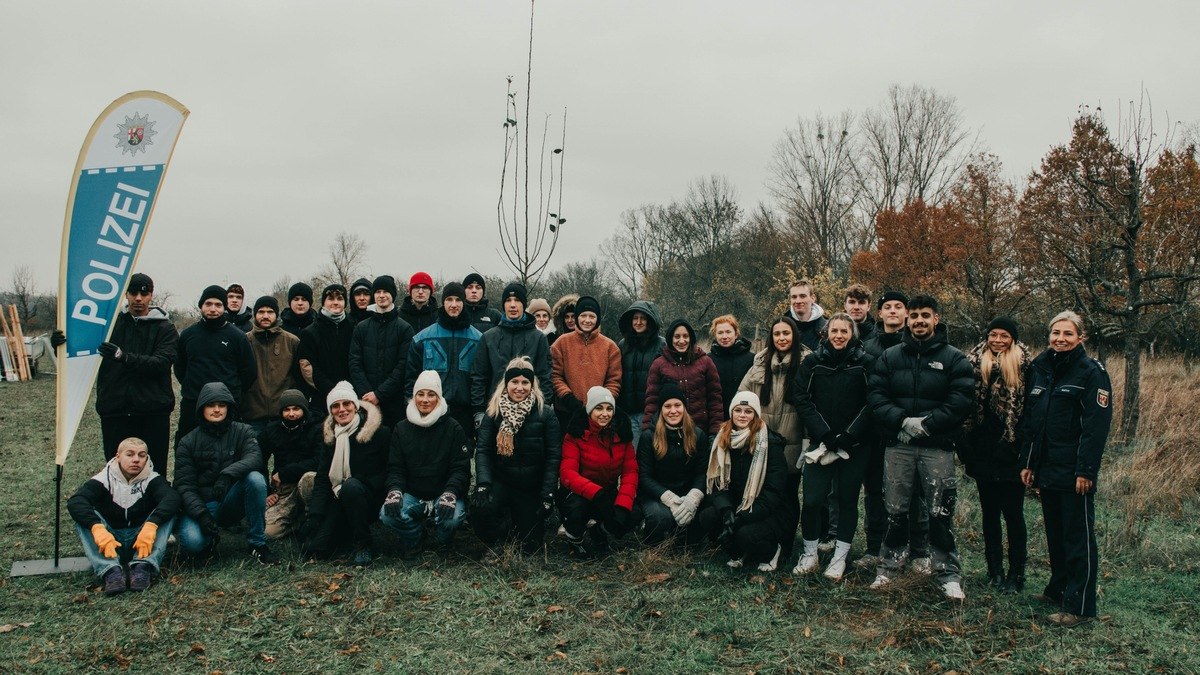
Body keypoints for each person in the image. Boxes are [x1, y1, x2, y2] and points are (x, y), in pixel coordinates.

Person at [867, 295, 974, 600]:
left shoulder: (954, 358)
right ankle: (888, 568)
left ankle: (947, 574)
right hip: (898, 446)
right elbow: (876, 395)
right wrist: (901, 421)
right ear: (908, 320)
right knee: (895, 509)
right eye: (914, 316)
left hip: (937, 447)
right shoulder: (891, 357)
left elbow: (961, 399)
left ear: (936, 319)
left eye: (925, 315)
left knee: (940, 510)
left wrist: (926, 424)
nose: (919, 321)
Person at [1020, 311, 1113, 627]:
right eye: (1055, 333)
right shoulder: (1042, 368)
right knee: (1056, 535)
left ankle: (1080, 606)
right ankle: (1057, 589)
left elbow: (1095, 427)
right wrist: (1029, 463)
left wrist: (1086, 470)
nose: (1060, 339)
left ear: (1080, 337)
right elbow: (1034, 421)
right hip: (1047, 469)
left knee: (1078, 538)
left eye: (1067, 334)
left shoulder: (1091, 373)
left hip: (1075, 472)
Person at [790, 313, 875, 580]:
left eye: (844, 331)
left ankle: (839, 558)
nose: (839, 336)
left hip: (855, 444)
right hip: (820, 443)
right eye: (834, 331)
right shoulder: (813, 363)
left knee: (848, 499)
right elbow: (802, 399)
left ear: (853, 335)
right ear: (826, 334)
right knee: (813, 500)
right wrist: (824, 432)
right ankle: (810, 553)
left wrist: (850, 434)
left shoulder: (866, 363)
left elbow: (872, 402)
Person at [859, 290, 929, 571]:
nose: (892, 311)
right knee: (874, 492)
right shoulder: (867, 345)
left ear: (906, 314)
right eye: (887, 307)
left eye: (899, 307)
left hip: (908, 432)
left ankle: (919, 550)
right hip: (874, 431)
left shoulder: (916, 345)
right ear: (880, 313)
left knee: (913, 493)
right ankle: (875, 547)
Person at [174, 382, 279, 565]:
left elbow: (255, 458)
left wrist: (227, 475)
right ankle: (210, 540)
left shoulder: (244, 431)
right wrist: (201, 515)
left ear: (229, 407)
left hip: (232, 499)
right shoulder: (187, 441)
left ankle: (257, 544)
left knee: (255, 479)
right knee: (193, 543)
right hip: (203, 505)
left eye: (222, 405)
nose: (217, 410)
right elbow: (184, 485)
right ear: (202, 408)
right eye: (211, 405)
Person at [963, 316, 1031, 593]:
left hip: (1010, 451)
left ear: (1012, 338)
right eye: (993, 335)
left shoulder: (1025, 365)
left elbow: (1028, 411)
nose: (998, 340)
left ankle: (1017, 573)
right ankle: (995, 571)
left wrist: (1017, 448)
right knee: (989, 513)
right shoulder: (974, 362)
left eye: (1004, 335)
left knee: (1013, 514)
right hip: (982, 450)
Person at [738, 316, 810, 562]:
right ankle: (763, 543)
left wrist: (808, 441)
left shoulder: (806, 362)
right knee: (763, 494)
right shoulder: (759, 363)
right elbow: (742, 396)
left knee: (789, 496)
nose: (781, 338)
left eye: (786, 333)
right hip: (762, 442)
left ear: (794, 336)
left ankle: (786, 543)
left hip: (793, 441)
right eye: (777, 334)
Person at [472, 358, 561, 555]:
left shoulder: (545, 414)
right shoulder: (493, 413)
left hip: (530, 485)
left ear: (532, 384)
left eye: (525, 382)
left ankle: (516, 524)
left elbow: (553, 457)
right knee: (480, 508)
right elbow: (484, 451)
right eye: (514, 382)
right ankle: (497, 540)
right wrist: (484, 483)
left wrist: (547, 494)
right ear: (506, 383)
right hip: (501, 480)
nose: (519, 387)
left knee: (530, 549)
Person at [68, 438, 179, 595]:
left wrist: (151, 525)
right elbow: (76, 502)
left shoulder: (152, 478)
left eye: (142, 455)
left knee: (168, 513)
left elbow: (172, 498)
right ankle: (110, 570)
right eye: (130, 454)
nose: (136, 460)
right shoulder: (103, 478)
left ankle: (143, 566)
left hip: (141, 540)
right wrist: (97, 527)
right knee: (84, 518)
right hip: (111, 542)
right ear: (118, 456)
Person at [92, 272, 179, 473]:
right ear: (126, 294)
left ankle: (153, 504)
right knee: (116, 470)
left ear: (151, 295)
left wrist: (124, 357)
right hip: (115, 409)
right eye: (133, 293)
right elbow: (83, 351)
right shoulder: (109, 324)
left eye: (144, 293)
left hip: (152, 410)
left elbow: (162, 362)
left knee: (153, 469)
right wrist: (61, 344)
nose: (138, 298)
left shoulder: (165, 328)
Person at [379, 370, 472, 557]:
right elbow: (395, 468)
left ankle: (444, 541)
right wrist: (395, 491)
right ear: (414, 397)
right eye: (420, 394)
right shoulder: (401, 428)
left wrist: (451, 493)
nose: (425, 399)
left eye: (431, 395)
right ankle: (415, 537)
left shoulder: (453, 427)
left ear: (439, 397)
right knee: (386, 514)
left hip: (443, 493)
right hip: (413, 494)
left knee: (452, 518)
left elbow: (460, 470)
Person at [697, 391, 788, 571]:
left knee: (746, 533)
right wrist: (727, 511)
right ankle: (737, 551)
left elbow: (773, 493)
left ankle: (771, 552)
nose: (742, 415)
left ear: (755, 415)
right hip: (736, 504)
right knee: (708, 517)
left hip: (765, 511)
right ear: (731, 413)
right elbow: (717, 484)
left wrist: (741, 518)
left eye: (748, 411)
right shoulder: (722, 440)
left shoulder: (770, 444)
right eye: (738, 410)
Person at [303, 381, 391, 566]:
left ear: (355, 406)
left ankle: (364, 545)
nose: (341, 410)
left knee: (351, 486)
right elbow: (322, 478)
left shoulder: (378, 432)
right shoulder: (331, 436)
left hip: (370, 498)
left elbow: (390, 470)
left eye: (346, 404)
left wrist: (363, 482)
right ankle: (345, 533)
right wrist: (315, 517)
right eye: (335, 406)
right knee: (314, 548)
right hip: (339, 498)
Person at [559, 387, 638, 557]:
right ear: (590, 410)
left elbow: (630, 472)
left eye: (609, 408)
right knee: (577, 509)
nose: (605, 414)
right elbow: (567, 473)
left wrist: (622, 506)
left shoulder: (622, 434)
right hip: (580, 494)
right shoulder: (575, 434)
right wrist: (597, 494)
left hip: (608, 491)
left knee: (631, 513)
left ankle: (600, 533)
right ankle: (575, 538)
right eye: (599, 408)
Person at [174, 286, 257, 444]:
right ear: (201, 306)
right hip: (193, 404)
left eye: (218, 305)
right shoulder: (187, 335)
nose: (213, 309)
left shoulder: (237, 336)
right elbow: (180, 367)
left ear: (224, 307)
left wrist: (231, 393)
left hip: (227, 406)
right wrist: (193, 387)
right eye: (208, 304)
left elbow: (249, 371)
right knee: (188, 446)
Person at [405, 281, 482, 438]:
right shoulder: (422, 339)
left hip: (465, 415)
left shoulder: (478, 340)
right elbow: (410, 380)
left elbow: (481, 379)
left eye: (458, 300)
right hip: (431, 412)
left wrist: (479, 411)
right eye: (449, 299)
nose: (453, 305)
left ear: (464, 302)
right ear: (443, 302)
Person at [636, 382, 709, 545]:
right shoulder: (649, 436)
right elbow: (644, 476)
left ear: (684, 407)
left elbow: (702, 472)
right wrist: (669, 498)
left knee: (699, 523)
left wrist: (693, 498)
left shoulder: (698, 435)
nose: (673, 410)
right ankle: (648, 527)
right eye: (667, 406)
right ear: (661, 409)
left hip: (687, 492)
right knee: (660, 518)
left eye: (678, 405)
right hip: (656, 495)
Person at [471, 282, 554, 421]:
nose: (513, 305)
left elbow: (545, 376)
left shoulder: (538, 338)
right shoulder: (489, 337)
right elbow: (479, 377)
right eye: (508, 301)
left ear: (524, 304)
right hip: (495, 412)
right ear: (503, 304)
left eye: (517, 300)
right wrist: (478, 411)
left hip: (530, 413)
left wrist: (542, 408)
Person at [348, 275, 416, 427]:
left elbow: (403, 365)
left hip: (394, 402)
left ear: (392, 295)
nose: (382, 295)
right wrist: (368, 394)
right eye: (378, 291)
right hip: (365, 401)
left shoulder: (404, 329)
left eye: (386, 291)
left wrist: (380, 394)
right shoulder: (361, 328)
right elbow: (354, 363)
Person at [550, 295, 622, 428]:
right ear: (577, 317)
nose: (587, 320)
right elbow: (555, 376)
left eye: (592, 316)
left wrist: (601, 405)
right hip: (567, 412)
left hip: (599, 416)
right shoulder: (561, 343)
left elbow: (614, 381)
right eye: (583, 316)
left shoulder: (610, 347)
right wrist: (569, 399)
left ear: (598, 319)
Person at [643, 319, 724, 436]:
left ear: (691, 338)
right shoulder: (659, 364)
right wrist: (648, 431)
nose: (681, 341)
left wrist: (715, 432)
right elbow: (652, 401)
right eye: (677, 336)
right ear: (670, 339)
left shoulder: (705, 362)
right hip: (668, 433)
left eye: (685, 336)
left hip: (700, 430)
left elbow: (715, 400)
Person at [258, 389, 321, 540]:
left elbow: (320, 460)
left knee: (310, 478)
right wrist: (267, 492)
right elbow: (258, 460)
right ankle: (296, 521)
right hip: (284, 489)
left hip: (309, 484)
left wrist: (285, 473)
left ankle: (310, 518)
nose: (291, 414)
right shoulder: (271, 430)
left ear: (304, 409)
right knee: (268, 533)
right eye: (286, 409)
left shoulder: (318, 428)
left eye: (296, 409)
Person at [242, 295, 301, 433]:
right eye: (261, 312)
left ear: (276, 314)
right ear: (255, 314)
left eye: (270, 312)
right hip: (253, 416)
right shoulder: (244, 341)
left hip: (284, 415)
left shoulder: (291, 341)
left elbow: (299, 376)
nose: (265, 316)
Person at [297, 284, 358, 406]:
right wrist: (333, 390)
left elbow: (359, 361)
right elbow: (308, 367)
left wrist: (348, 389)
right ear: (323, 302)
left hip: (352, 394)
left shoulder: (355, 327)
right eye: (331, 299)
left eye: (340, 299)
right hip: (322, 397)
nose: (335, 303)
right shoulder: (310, 332)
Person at [617, 300, 665, 447]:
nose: (638, 322)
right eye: (635, 318)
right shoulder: (623, 345)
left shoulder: (661, 345)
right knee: (633, 454)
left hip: (652, 413)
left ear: (650, 321)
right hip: (628, 413)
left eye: (643, 318)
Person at [707, 314, 755, 416]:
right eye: (720, 333)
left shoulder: (751, 359)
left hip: (744, 416)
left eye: (728, 332)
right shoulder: (708, 360)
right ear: (715, 335)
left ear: (736, 333)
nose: (724, 336)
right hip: (717, 417)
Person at [787, 279, 828, 351]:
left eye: (802, 296)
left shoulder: (827, 328)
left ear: (813, 298)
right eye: (794, 297)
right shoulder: (782, 326)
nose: (798, 301)